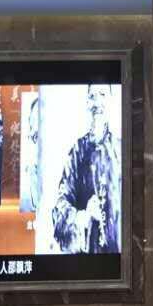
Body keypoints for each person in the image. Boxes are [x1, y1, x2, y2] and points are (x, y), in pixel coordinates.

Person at [51, 84, 120, 253]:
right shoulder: (77, 151)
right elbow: (60, 205)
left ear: (111, 100)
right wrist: (84, 216)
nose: (97, 103)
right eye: (92, 97)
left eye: (102, 94)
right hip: (87, 256)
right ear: (87, 103)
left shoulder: (121, 149)